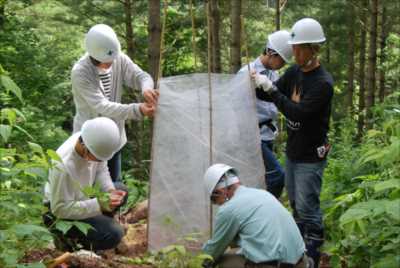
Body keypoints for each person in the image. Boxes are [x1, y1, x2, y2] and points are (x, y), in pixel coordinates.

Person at [253, 18, 334, 267]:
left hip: (311, 154)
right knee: (297, 204)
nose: (295, 53)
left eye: (300, 48)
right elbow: (268, 92)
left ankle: (313, 252)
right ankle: (299, 249)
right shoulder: (294, 72)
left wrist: (272, 90)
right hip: (294, 150)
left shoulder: (322, 83)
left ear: (313, 49)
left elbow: (295, 112)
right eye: (294, 48)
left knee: (308, 205)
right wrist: (256, 78)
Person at [71, 24, 158, 183]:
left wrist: (146, 89)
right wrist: (138, 109)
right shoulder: (80, 72)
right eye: (106, 60)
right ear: (93, 56)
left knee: (114, 184)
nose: (111, 63)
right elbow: (101, 106)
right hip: (88, 141)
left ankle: (114, 207)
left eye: (113, 58)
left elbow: (140, 76)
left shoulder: (119, 58)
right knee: (85, 186)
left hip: (113, 137)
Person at [43, 117, 127, 251]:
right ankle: (72, 244)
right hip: (58, 214)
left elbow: (101, 170)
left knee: (121, 190)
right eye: (97, 158)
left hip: (82, 198)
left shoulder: (90, 140)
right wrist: (99, 205)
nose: (99, 161)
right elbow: (59, 209)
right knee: (114, 234)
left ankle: (99, 226)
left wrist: (109, 190)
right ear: (85, 148)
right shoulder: (63, 165)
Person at [202, 164, 308, 268]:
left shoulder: (229, 209)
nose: (217, 204)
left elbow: (213, 251)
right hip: (301, 261)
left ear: (221, 191)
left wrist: (201, 259)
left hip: (277, 265)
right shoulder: (263, 194)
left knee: (224, 261)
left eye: (214, 199)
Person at [239, 30, 292, 198]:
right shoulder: (247, 73)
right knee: (277, 176)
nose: (283, 64)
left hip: (267, 134)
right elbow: (235, 107)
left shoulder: (274, 74)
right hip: (252, 136)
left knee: (262, 180)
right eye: (282, 59)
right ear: (270, 52)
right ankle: (267, 210)